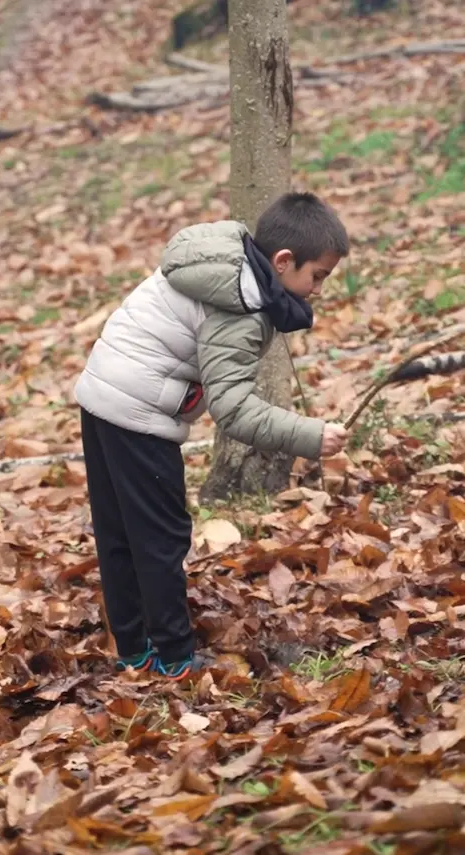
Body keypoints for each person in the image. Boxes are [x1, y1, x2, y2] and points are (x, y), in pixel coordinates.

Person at [72, 191, 351, 680]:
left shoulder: (222, 255)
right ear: (283, 262)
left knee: (120, 531)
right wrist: (312, 435)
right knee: (162, 536)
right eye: (317, 276)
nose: (319, 290)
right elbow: (235, 410)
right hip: (137, 409)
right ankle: (176, 659)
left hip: (102, 390)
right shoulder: (239, 305)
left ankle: (134, 649)